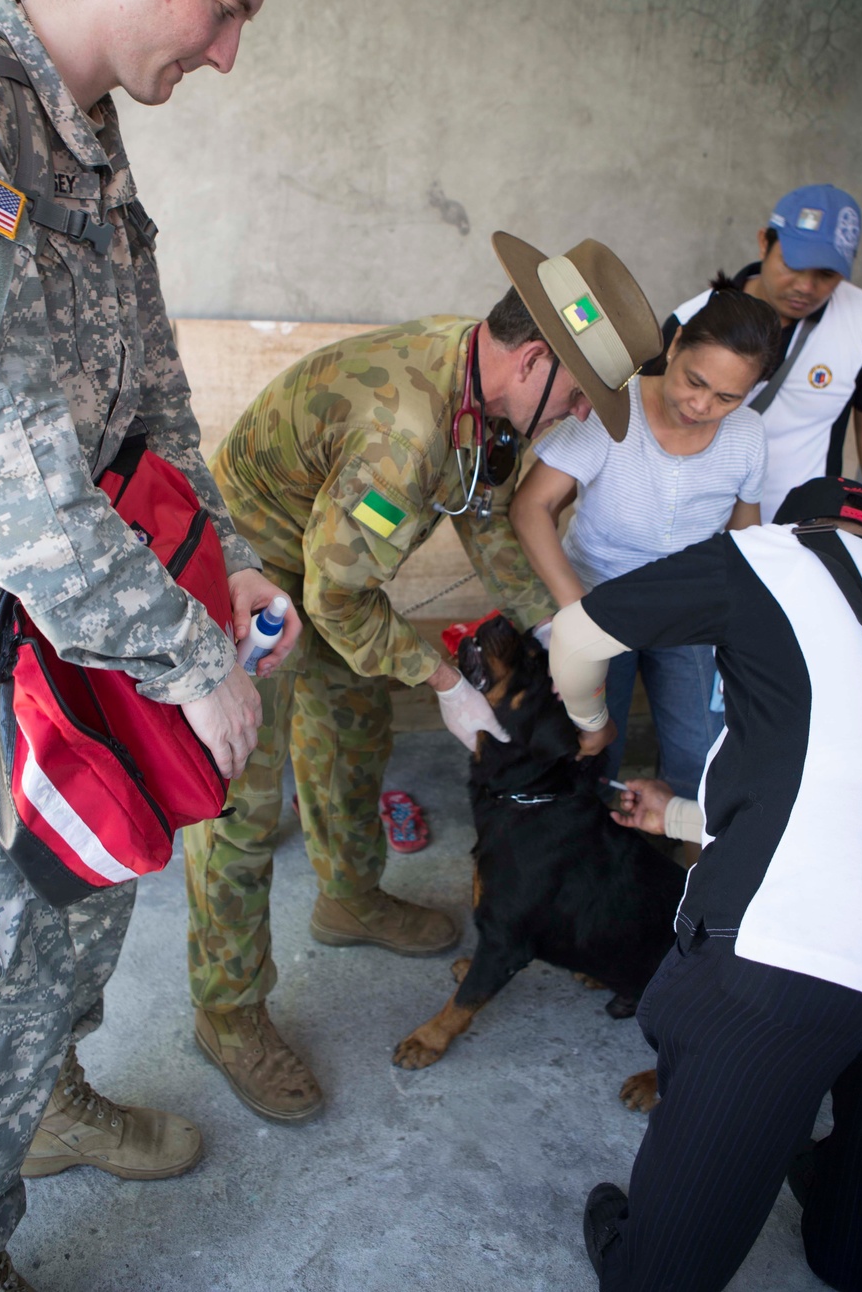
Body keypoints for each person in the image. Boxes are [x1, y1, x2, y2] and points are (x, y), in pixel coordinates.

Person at [0, 0, 296, 1292]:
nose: (227, 51)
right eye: (227, 9)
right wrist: (194, 657)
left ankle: (49, 1107)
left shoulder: (91, 127)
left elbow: (153, 395)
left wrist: (232, 564)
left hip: (92, 652)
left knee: (79, 927)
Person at [183, 232, 663, 1124]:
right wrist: (445, 680)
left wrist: (560, 631)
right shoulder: (401, 434)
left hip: (331, 565)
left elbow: (484, 517)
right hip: (247, 573)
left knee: (353, 722)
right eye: (580, 398)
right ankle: (229, 1014)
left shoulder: (480, 388)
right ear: (532, 358)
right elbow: (338, 598)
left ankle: (349, 895)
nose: (581, 420)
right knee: (240, 805)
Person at [549, 476, 862, 1292]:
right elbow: (852, 787)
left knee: (666, 1270)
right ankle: (844, 1247)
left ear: (795, 522)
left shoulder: (767, 555)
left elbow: (577, 635)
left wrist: (591, 722)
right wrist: (679, 817)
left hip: (784, 962)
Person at [509, 287, 778, 797]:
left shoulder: (748, 436)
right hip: (596, 596)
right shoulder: (613, 410)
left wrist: (740, 631)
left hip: (689, 610)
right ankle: (586, 850)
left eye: (727, 397)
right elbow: (530, 508)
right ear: (675, 345)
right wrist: (578, 613)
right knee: (583, 744)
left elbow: (747, 538)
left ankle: (686, 857)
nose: (701, 405)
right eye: (694, 381)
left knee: (705, 754)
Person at [656, 184, 862, 558]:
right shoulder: (693, 320)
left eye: (826, 274)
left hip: (803, 533)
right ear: (764, 242)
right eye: (793, 265)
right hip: (692, 530)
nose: (806, 286)